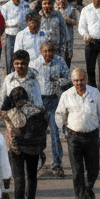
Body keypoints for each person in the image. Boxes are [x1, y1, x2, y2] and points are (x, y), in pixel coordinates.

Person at [54, 66, 100, 199]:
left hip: (92, 136)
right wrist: (62, 132)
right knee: (77, 171)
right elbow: (59, 115)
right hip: (74, 138)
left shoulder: (94, 92)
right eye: (76, 80)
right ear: (72, 81)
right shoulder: (66, 95)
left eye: (81, 80)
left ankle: (88, 187)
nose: (79, 83)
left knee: (94, 169)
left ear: (86, 79)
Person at [0, 85, 48, 199]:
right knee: (32, 176)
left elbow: (3, 112)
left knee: (19, 180)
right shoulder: (37, 110)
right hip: (33, 149)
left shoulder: (9, 113)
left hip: (15, 150)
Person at [31, 41, 70, 178]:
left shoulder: (60, 62)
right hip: (39, 102)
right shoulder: (35, 64)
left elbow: (68, 79)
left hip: (54, 101)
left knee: (55, 132)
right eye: (46, 51)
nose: (49, 54)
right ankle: (35, 164)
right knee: (36, 135)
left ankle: (57, 164)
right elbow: (30, 83)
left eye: (51, 50)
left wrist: (57, 81)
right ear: (41, 51)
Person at [0, 0, 29, 78]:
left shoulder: (25, 5)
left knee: (23, 56)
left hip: (22, 35)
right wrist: (13, 23)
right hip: (10, 35)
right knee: (10, 57)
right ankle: (9, 76)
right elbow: (2, 22)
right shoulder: (5, 7)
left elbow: (29, 19)